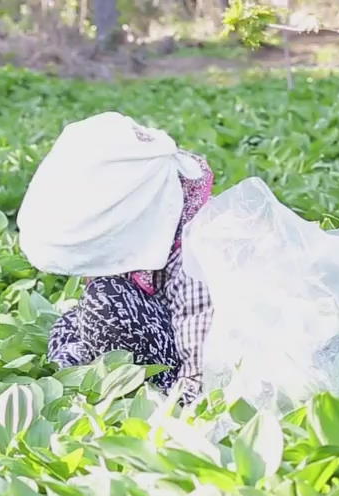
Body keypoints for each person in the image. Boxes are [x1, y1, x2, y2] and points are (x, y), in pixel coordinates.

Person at [17, 112, 214, 404]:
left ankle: (135, 390)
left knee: (105, 300)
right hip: (157, 323)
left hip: (185, 365)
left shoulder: (193, 252)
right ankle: (91, 375)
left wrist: (180, 405)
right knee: (70, 322)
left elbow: (200, 351)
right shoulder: (144, 231)